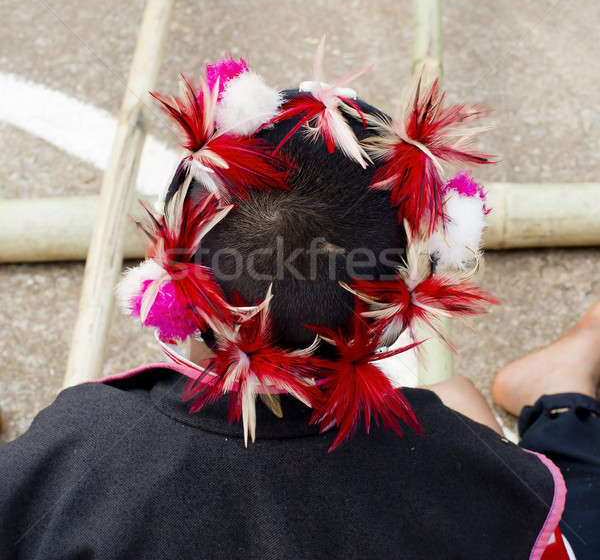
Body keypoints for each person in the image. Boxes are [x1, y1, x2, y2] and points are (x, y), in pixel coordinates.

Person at [0, 44, 573, 559]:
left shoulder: (78, 446)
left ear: (169, 282)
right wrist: (475, 443)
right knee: (515, 438)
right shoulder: (469, 470)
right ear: (395, 314)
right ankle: (567, 402)